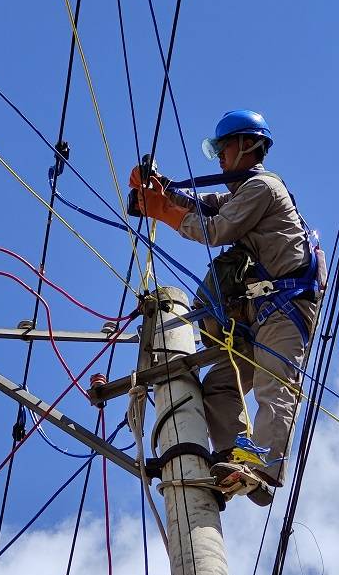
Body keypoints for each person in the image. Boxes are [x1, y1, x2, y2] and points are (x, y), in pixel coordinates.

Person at [129, 110, 320, 506]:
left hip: (287, 307)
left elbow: (215, 229)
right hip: (258, 313)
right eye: (215, 148)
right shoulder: (241, 192)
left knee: (274, 385)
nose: (218, 155)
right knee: (218, 385)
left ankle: (263, 471)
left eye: (223, 146)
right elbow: (205, 205)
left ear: (248, 145)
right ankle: (238, 459)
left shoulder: (262, 188)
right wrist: (163, 192)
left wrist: (161, 210)